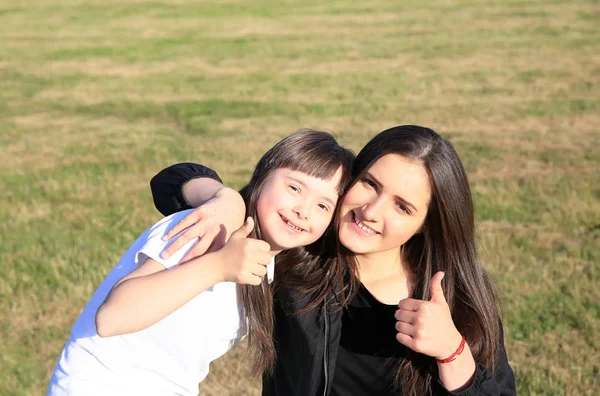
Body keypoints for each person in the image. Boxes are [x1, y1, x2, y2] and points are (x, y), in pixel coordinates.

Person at [151, 125, 517, 395]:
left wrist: (451, 353)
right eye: (370, 184)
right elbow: (171, 182)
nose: (371, 211)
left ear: (425, 225)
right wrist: (225, 199)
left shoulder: (454, 296)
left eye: (402, 206)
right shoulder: (301, 251)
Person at [47, 129, 355, 396]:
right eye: (294, 188)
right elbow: (112, 318)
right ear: (262, 176)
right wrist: (218, 265)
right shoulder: (207, 225)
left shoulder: (271, 269)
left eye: (323, 205)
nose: (303, 210)